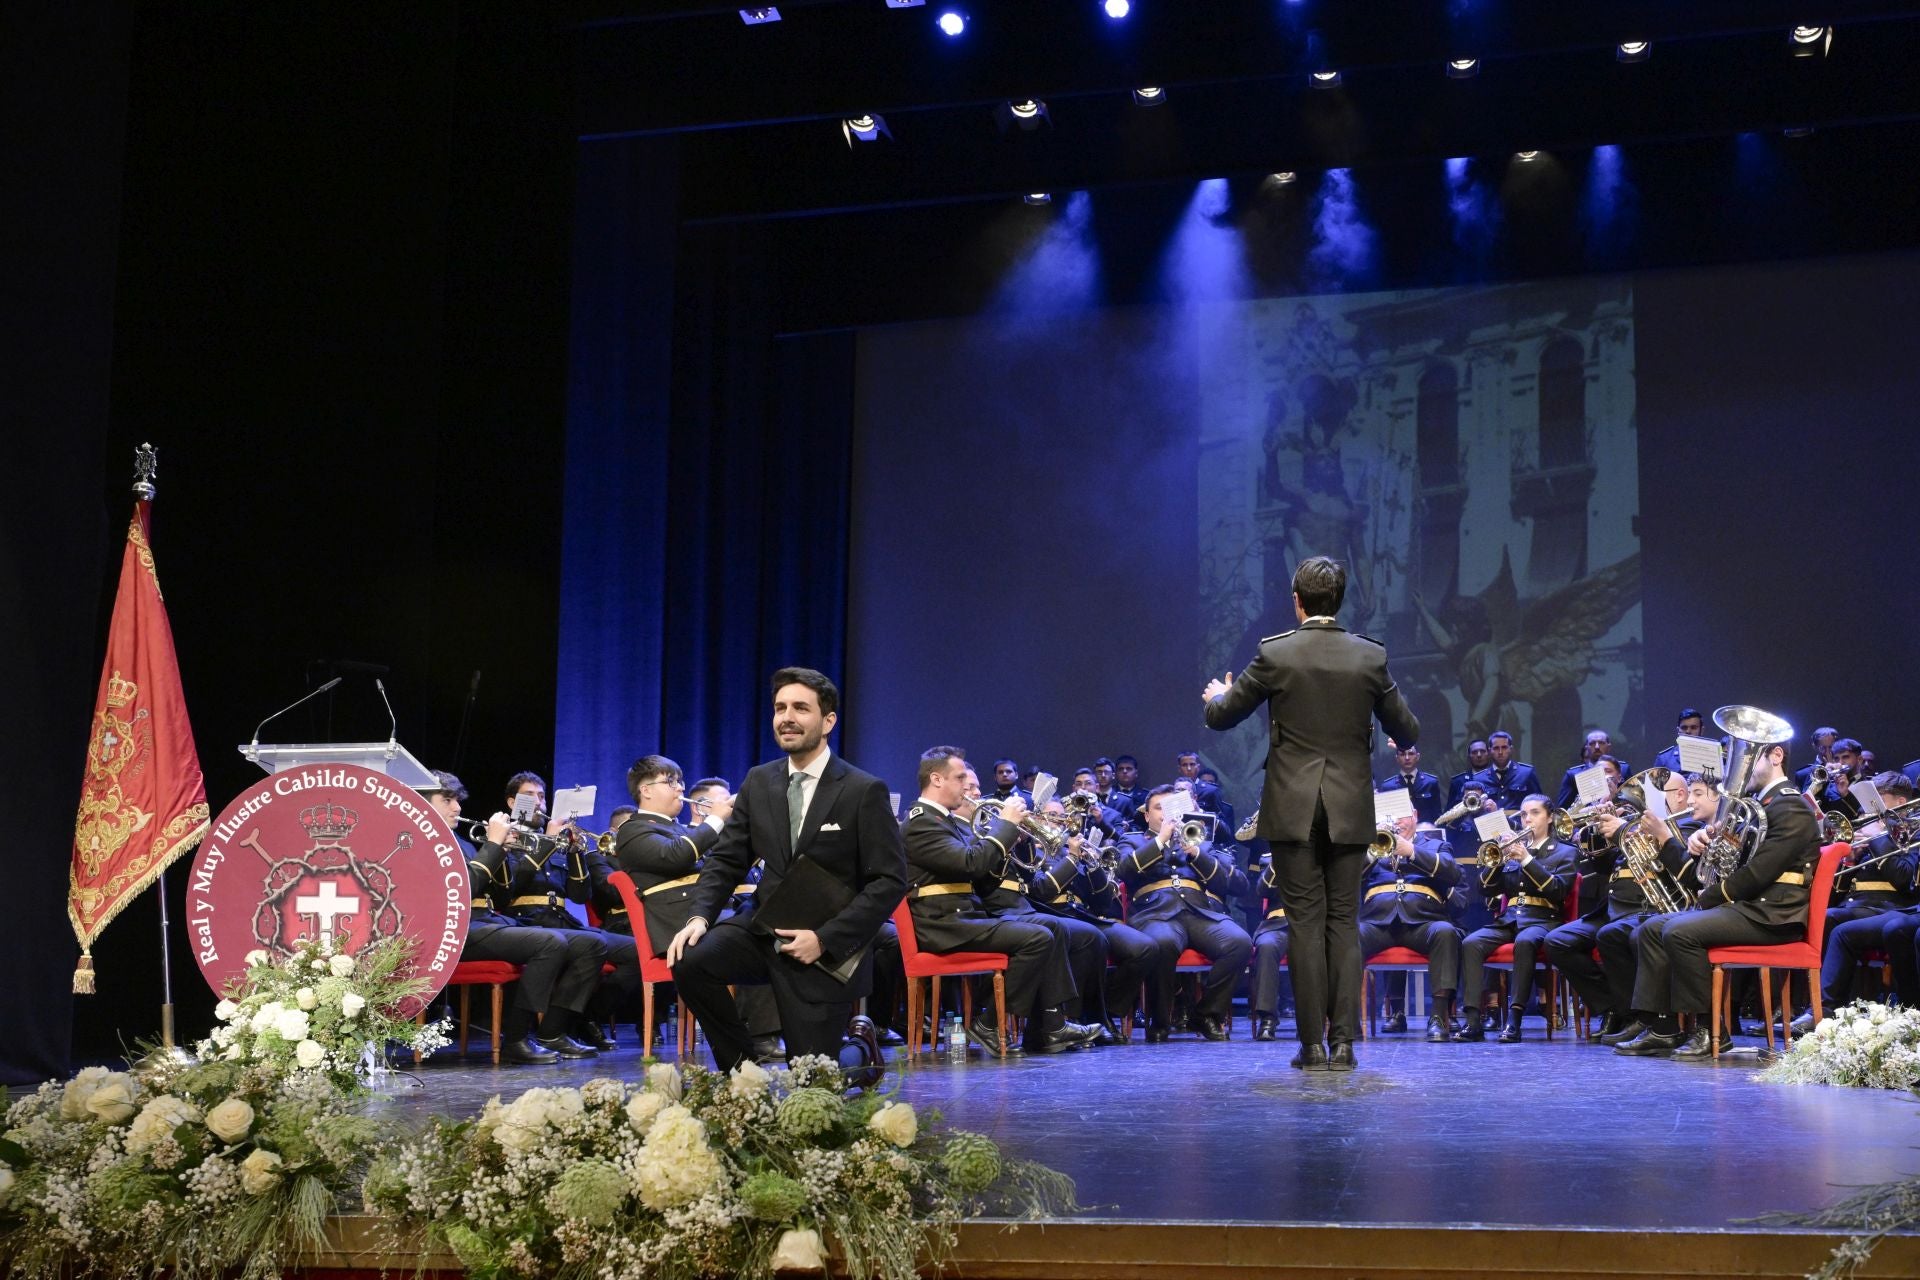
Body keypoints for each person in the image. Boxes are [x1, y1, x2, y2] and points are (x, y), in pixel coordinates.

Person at [1202, 555, 1420, 1071]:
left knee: (1303, 925)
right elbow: (1408, 731)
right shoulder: (1369, 656)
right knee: (1343, 923)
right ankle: (1344, 1044)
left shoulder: (1275, 653)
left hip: (1293, 806)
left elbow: (1222, 716)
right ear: (1339, 601)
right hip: (1348, 807)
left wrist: (1217, 694)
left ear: (1296, 602)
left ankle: (1312, 1046)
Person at [666, 667, 905, 1072]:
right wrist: (699, 915)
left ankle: (861, 1049)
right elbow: (727, 858)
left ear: (828, 721)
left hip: (822, 950)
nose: (787, 717)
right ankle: (744, 1073)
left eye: (800, 708)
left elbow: (890, 880)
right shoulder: (759, 781)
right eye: (780, 708)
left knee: (812, 1082)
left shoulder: (863, 790)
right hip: (762, 932)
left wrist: (826, 939)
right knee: (690, 960)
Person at [1616, 734, 1821, 1059]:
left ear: (1776, 756)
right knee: (1651, 929)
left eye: (1750, 757)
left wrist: (1712, 896)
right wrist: (1703, 840)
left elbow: (1759, 873)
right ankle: (1662, 1028)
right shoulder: (1758, 806)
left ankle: (1710, 1030)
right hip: (1750, 908)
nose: (1739, 767)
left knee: (1678, 931)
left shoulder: (1791, 805)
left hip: (1773, 914)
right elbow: (1732, 860)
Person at [899, 747, 1097, 1055]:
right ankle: (988, 1022)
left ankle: (1052, 1025)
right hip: (943, 924)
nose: (967, 786)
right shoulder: (922, 821)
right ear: (936, 779)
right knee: (1038, 937)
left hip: (963, 917)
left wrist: (1009, 838)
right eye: (960, 777)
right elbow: (970, 864)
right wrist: (1004, 826)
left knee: (1050, 929)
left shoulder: (943, 821)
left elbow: (979, 867)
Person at [422, 771, 609, 1064]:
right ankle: (517, 1038)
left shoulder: (462, 842)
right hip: (454, 932)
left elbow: (499, 895)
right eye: (447, 800)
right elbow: (464, 889)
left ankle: (552, 1032)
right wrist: (494, 846)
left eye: (457, 800)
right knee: (550, 942)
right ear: (422, 802)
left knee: (591, 945)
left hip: (487, 921)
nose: (457, 807)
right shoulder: (425, 842)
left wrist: (502, 850)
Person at [1546, 769, 1701, 1042]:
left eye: (1656, 793)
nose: (1647, 802)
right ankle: (1613, 1008)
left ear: (1680, 795)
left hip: (1648, 906)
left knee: (1615, 936)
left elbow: (1675, 866)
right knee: (1558, 941)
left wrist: (1623, 832)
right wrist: (1604, 835)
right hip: (1613, 908)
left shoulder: (1685, 826)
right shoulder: (1636, 825)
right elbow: (1603, 865)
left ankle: (1638, 1016)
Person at [493, 770, 640, 1052]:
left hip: (563, 921)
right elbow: (510, 889)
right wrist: (548, 843)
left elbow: (579, 894)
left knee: (635, 952)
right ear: (512, 803)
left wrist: (574, 854)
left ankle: (581, 1016)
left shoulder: (556, 843)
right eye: (529, 796)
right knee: (591, 944)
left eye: (541, 796)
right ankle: (554, 1030)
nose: (538, 803)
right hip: (526, 922)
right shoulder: (505, 839)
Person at [1115, 785, 1253, 1042]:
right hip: (1155, 913)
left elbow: (1231, 885)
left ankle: (1206, 1014)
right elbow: (1123, 870)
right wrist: (1161, 840)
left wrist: (1196, 852)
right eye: (1159, 808)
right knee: (1162, 943)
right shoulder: (1133, 839)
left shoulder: (1200, 840)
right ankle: (1160, 1020)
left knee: (1239, 942)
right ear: (1147, 815)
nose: (1166, 814)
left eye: (1171, 808)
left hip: (1200, 911)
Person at [1800, 773, 1920, 1025]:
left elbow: (1902, 876)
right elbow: (1840, 891)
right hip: (1858, 906)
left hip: (1892, 908)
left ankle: (1825, 1010)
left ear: (1899, 802)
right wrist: (1849, 858)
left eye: (1878, 803)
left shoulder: (1912, 832)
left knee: (1839, 927)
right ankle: (1822, 1006)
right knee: (1824, 918)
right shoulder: (1874, 833)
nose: (1868, 812)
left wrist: (1878, 837)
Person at [1456, 795, 1575, 1043]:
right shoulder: (1512, 850)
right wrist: (1497, 862)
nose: (1527, 819)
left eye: (1534, 813)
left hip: (1544, 920)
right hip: (1509, 919)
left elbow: (1558, 890)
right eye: (1523, 814)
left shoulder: (1565, 852)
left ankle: (1514, 1020)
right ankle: (1473, 1020)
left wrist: (1527, 860)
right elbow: (1485, 889)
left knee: (1525, 941)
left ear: (1550, 817)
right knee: (1470, 943)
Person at [1357, 813, 1463, 1042]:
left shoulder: (1437, 845)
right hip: (1378, 922)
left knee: (1444, 932)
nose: (1395, 822)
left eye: (1401, 816)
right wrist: (1372, 851)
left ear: (1414, 816)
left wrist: (1412, 852)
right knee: (1348, 936)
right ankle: (1349, 1018)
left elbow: (1453, 873)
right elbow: (1349, 878)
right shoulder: (1370, 845)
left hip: (1422, 921)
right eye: (1389, 816)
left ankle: (1438, 1017)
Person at [1556, 731, 1632, 809]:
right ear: (1586, 747)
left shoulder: (1624, 769)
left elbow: (1632, 798)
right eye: (1592, 743)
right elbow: (1563, 809)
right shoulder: (1573, 775)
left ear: (1609, 747)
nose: (1597, 747)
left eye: (1601, 743)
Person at [1473, 731, 1542, 812]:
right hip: (1490, 823)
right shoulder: (1479, 779)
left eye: (1504, 747)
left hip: (1520, 823)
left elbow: (1539, 804)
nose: (1500, 752)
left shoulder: (1527, 773)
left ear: (1511, 749)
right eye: (1496, 748)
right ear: (1489, 751)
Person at [1378, 743, 1443, 825]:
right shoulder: (1388, 787)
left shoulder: (1430, 783)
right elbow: (1384, 819)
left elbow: (1437, 817)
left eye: (1411, 753)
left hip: (1426, 834)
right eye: (1402, 754)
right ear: (1397, 758)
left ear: (1417, 756)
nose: (1407, 758)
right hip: (1399, 834)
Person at [1651, 708, 1707, 773]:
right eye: (1684, 728)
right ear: (1678, 731)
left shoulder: (1712, 757)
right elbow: (1655, 782)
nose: (1688, 731)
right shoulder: (1664, 758)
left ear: (1702, 730)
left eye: (1693, 727)